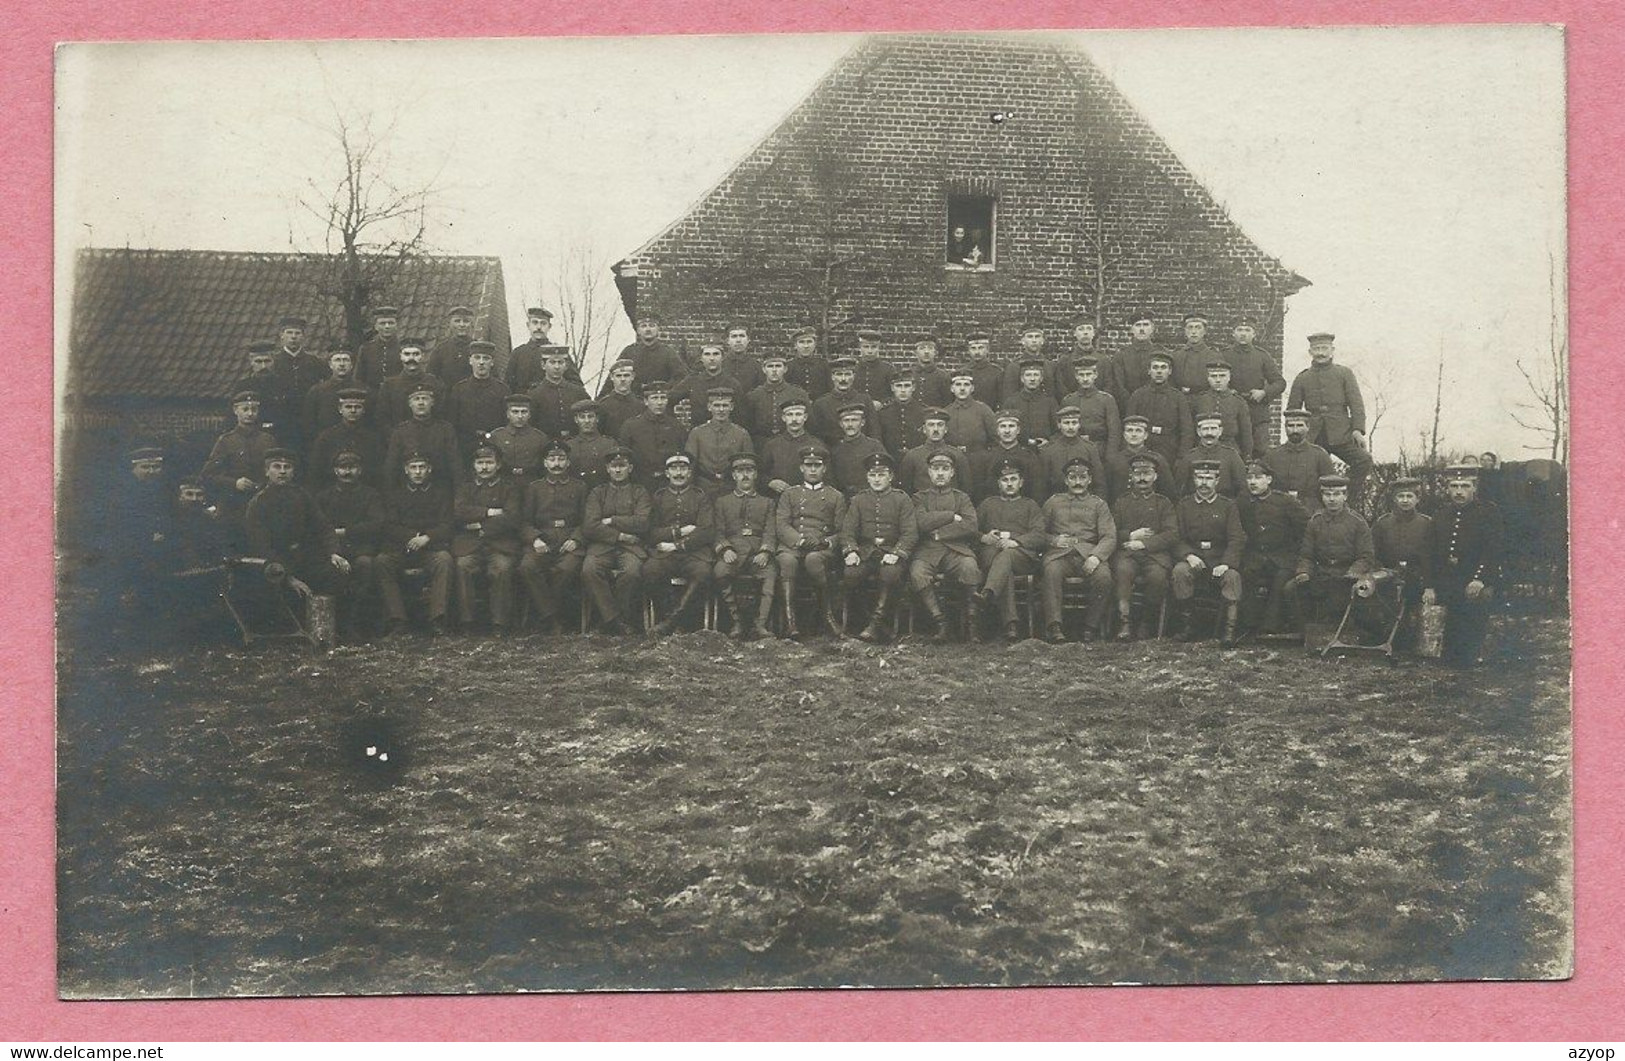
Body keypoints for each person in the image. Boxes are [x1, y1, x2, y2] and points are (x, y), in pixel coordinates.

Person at [243, 448, 350, 610]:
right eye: (277, 467)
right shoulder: (258, 503)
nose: (282, 471)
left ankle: (332, 628)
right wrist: (288, 577)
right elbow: (261, 547)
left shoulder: (302, 496)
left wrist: (334, 552)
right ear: (267, 471)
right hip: (278, 562)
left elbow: (323, 526)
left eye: (287, 467)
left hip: (305, 558)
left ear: (293, 472)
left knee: (336, 573)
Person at [1423, 464, 1503, 667]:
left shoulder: (1488, 513)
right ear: (1448, 489)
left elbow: (1493, 551)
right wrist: (1429, 585)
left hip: (1474, 578)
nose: (1459, 491)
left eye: (1465, 486)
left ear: (1474, 488)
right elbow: (1429, 554)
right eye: (1454, 486)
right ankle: (1436, 651)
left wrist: (1479, 579)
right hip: (1446, 578)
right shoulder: (1440, 515)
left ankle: (1472, 652)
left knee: (1475, 601)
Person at [839, 451, 918, 643]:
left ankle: (875, 624)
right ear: (867, 477)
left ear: (890, 476)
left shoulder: (902, 499)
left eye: (881, 474)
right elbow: (848, 531)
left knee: (890, 574)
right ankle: (874, 622)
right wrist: (851, 551)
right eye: (872, 475)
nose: (876, 479)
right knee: (850, 575)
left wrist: (897, 553)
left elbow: (910, 533)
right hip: (866, 552)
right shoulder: (858, 500)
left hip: (891, 552)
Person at [1287, 332, 1374, 501]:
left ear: (1332, 350)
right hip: (1313, 436)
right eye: (1316, 349)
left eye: (1324, 348)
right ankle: (1317, 506)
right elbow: (1292, 411)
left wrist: (1357, 430)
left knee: (1363, 460)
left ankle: (1345, 498)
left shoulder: (1344, 373)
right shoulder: (1302, 378)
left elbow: (1356, 404)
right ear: (1310, 352)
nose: (1320, 352)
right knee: (1309, 473)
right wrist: (1295, 435)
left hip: (1343, 433)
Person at [376, 452, 455, 636]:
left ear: (429, 469)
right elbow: (388, 525)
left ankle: (438, 619)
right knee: (382, 562)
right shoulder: (395, 494)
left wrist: (427, 538)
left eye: (422, 467)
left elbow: (448, 524)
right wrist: (413, 537)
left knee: (444, 560)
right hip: (403, 548)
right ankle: (397, 620)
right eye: (413, 467)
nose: (418, 472)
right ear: (406, 470)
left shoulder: (441, 493)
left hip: (431, 547)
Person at [1288, 474, 1378, 631]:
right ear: (1322, 496)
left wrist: (1353, 572)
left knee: (1337, 595)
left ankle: (1336, 631)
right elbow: (1306, 554)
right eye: (1327, 494)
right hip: (1322, 572)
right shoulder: (1315, 522)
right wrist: (1304, 572)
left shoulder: (1357, 522)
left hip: (1346, 574)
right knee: (1291, 588)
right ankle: (1306, 631)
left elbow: (1366, 556)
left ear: (1345, 496)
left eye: (1337, 494)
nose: (1332, 499)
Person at [1038, 458, 1116, 643]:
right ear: (1066, 480)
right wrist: (1054, 540)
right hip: (1060, 555)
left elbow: (1109, 536)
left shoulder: (1099, 504)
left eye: (1082, 477)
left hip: (1088, 554)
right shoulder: (1053, 502)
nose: (1078, 482)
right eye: (1072, 478)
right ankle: (1054, 626)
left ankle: (1091, 626)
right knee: (1051, 572)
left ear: (1090, 479)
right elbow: (1038, 533)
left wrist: (1096, 557)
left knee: (1104, 577)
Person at [1170, 460, 1246, 645]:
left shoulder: (1228, 505)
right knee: (1180, 572)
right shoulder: (1184, 505)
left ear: (1217, 480)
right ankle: (1188, 627)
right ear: (1194, 480)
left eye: (1208, 478)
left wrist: (1226, 563)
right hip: (1194, 557)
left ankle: (1229, 631)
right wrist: (1188, 555)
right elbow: (1175, 537)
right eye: (1199, 478)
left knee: (1232, 577)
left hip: (1219, 558)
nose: (1204, 483)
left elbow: (1237, 538)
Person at [773, 447, 847, 638]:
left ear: (824, 469)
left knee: (814, 560)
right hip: (794, 544)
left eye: (817, 465)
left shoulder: (836, 496)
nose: (812, 470)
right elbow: (781, 524)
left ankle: (828, 618)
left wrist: (826, 542)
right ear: (801, 468)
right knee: (787, 561)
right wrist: (799, 540)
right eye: (808, 465)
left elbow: (842, 530)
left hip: (819, 548)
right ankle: (791, 623)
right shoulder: (790, 494)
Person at [642, 452, 717, 636]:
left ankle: (670, 623)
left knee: (703, 573)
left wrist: (676, 545)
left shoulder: (700, 497)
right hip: (664, 554)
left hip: (694, 553)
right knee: (650, 570)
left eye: (683, 468)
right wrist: (678, 532)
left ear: (690, 472)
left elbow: (705, 531)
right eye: (674, 469)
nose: (678, 473)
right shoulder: (658, 497)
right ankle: (673, 620)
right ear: (666, 473)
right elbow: (650, 532)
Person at [579, 447, 652, 635]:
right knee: (589, 569)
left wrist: (612, 520)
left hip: (631, 548)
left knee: (632, 572)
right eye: (614, 466)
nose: (618, 470)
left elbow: (643, 522)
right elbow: (590, 526)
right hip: (602, 546)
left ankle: (614, 620)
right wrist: (620, 535)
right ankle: (614, 620)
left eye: (622, 466)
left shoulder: (640, 492)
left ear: (631, 468)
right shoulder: (597, 493)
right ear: (607, 469)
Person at [909, 452, 981, 642]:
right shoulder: (919, 498)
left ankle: (972, 624)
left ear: (952, 473)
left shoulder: (962, 498)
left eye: (945, 469)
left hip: (957, 549)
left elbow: (971, 525)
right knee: (918, 573)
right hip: (928, 551)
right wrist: (951, 516)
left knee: (970, 567)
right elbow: (921, 522)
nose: (940, 473)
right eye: (936, 469)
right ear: (929, 472)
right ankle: (941, 623)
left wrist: (940, 533)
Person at [315, 449, 386, 640]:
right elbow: (318, 525)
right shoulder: (324, 497)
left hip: (362, 549)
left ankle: (355, 624)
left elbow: (376, 524)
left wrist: (346, 532)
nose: (347, 472)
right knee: (332, 574)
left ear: (360, 470)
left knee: (365, 566)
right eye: (342, 468)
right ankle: (336, 625)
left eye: (352, 468)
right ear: (335, 471)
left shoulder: (370, 495)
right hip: (331, 551)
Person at [517, 440, 586, 634]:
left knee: (565, 570)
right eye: (552, 459)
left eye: (561, 459)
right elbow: (524, 521)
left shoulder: (580, 487)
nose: (557, 463)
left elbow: (587, 520)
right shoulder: (534, 488)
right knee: (527, 567)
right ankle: (551, 616)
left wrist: (576, 539)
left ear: (568, 462)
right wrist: (535, 539)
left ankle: (545, 617)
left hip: (569, 540)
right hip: (542, 539)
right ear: (544, 463)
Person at [452, 444, 522, 634]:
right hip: (469, 544)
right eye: (480, 463)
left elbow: (512, 517)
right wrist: (489, 512)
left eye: (489, 463)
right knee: (462, 566)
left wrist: (481, 526)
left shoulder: (509, 488)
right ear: (473, 465)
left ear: (498, 465)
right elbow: (459, 512)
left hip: (500, 544)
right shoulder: (465, 488)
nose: (484, 467)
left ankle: (499, 623)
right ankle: (467, 622)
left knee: (502, 568)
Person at [973, 460, 1046, 641]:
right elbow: (971, 531)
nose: (1010, 483)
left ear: (1021, 482)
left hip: (1022, 557)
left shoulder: (1030, 505)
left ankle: (988, 593)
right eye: (1005, 480)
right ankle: (1011, 625)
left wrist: (1017, 541)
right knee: (1004, 568)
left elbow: (1040, 535)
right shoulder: (987, 505)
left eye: (1014, 479)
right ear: (998, 483)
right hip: (994, 558)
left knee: (1006, 556)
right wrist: (985, 536)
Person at [1236, 459, 1309, 638]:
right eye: (1249, 478)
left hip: (1283, 556)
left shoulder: (1285, 501)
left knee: (1281, 580)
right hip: (1255, 555)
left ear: (1269, 479)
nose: (1252, 482)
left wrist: (1295, 553)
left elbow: (1305, 528)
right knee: (1246, 575)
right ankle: (1249, 625)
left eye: (1258, 477)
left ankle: (1271, 627)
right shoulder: (1242, 502)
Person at [1110, 453, 1178, 640]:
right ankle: (1125, 622)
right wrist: (1130, 536)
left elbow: (1171, 534)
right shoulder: (1121, 502)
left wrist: (1144, 543)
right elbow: (1111, 531)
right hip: (1127, 553)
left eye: (1147, 473)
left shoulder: (1163, 503)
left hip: (1155, 556)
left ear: (1155, 476)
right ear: (1131, 476)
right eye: (1137, 473)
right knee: (1122, 571)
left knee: (1157, 577)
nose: (1142, 478)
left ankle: (1147, 622)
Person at [712, 452, 778, 640]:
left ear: (756, 474)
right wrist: (725, 549)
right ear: (734, 476)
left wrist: (766, 551)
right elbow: (717, 531)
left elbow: (770, 531)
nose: (745, 475)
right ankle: (736, 622)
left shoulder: (767, 502)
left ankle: (761, 624)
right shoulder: (722, 502)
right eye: (740, 471)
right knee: (720, 572)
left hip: (758, 552)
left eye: (749, 470)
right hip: (733, 551)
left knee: (770, 575)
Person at [202, 390, 279, 537]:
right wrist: (234, 483)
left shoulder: (268, 440)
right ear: (235, 411)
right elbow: (207, 475)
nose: (250, 414)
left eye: (254, 409)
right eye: (245, 409)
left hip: (262, 504)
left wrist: (262, 485)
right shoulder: (226, 441)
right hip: (233, 505)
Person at [1225, 316, 1286, 456]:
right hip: (1232, 411)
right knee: (1233, 452)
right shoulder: (1224, 355)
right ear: (1233, 333)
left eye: (1247, 330)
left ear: (1254, 334)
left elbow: (1279, 382)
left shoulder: (1262, 356)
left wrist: (1264, 392)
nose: (1243, 333)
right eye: (1239, 329)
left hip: (1257, 412)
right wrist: (1227, 391)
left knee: (1260, 451)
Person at [383, 383, 461, 490]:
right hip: (408, 490)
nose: (420, 403)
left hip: (439, 489)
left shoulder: (445, 429)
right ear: (409, 404)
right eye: (416, 399)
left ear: (432, 402)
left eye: (425, 398)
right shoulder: (400, 431)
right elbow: (391, 466)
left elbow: (455, 464)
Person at [1372, 475, 1434, 605]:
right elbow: (1374, 553)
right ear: (1394, 499)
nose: (1405, 500)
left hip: (1418, 581)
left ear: (1417, 499)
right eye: (1401, 496)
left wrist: (1429, 586)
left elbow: (1432, 557)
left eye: (1409, 496)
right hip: (1387, 580)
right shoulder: (1382, 523)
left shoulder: (1427, 523)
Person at [308, 388, 385, 490]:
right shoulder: (326, 437)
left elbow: (377, 473)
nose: (353, 410)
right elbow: (317, 471)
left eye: (358, 407)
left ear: (363, 410)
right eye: (348, 407)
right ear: (340, 409)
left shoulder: (373, 439)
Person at [619, 379, 689, 491]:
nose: (659, 402)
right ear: (646, 401)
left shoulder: (676, 426)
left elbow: (683, 454)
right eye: (655, 398)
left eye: (663, 398)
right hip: (640, 485)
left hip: (669, 485)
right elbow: (625, 457)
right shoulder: (631, 426)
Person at [1264, 406, 1338, 511]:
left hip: (1310, 511)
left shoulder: (1320, 455)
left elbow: (1330, 487)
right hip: (1278, 511)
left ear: (1307, 427)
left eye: (1299, 426)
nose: (1295, 430)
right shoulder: (1272, 455)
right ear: (1285, 428)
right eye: (1290, 426)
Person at [1126, 351, 1193, 467]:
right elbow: (1128, 425)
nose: (1159, 371)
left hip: (1169, 449)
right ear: (1149, 371)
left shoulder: (1178, 397)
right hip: (1142, 448)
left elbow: (1186, 430)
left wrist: (1182, 456)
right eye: (1155, 367)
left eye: (1163, 367)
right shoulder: (1138, 395)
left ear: (1170, 371)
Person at [685, 386, 753, 496]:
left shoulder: (742, 434)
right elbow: (690, 466)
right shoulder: (697, 433)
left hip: (732, 488)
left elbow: (749, 467)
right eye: (716, 405)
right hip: (703, 488)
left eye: (725, 405)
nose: (721, 410)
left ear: (731, 407)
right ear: (709, 407)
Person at [446, 340, 509, 453]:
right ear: (470, 360)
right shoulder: (459, 389)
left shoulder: (502, 390)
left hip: (494, 447)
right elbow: (452, 423)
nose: (481, 362)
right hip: (465, 447)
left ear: (492, 362)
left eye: (486, 358)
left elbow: (505, 424)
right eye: (477, 357)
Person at [758, 398, 827, 500]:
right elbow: (760, 474)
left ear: (805, 417)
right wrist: (770, 482)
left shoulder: (817, 444)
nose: (794, 419)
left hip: (810, 500)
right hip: (780, 500)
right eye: (790, 415)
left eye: (798, 414)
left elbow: (827, 477)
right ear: (783, 418)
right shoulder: (772, 445)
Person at [970, 410, 1044, 503]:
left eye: (1011, 426)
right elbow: (979, 492)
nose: (1007, 431)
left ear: (1018, 430)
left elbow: (1037, 491)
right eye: (1003, 426)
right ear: (997, 430)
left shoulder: (1029, 457)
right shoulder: (986, 458)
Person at [897, 408, 973, 495]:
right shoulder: (912, 456)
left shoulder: (957, 455)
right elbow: (906, 488)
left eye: (940, 425)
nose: (935, 429)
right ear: (924, 429)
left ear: (946, 429)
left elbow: (966, 488)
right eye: (931, 425)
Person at [301, 350, 363, 454]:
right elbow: (309, 424)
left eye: (346, 360)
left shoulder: (363, 389)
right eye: (337, 360)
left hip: (358, 443)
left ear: (352, 365)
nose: (342, 364)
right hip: (326, 446)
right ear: (330, 364)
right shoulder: (317, 391)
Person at [1039, 406, 1107, 500]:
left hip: (1085, 502)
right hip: (1058, 503)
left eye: (1074, 423)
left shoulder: (1089, 448)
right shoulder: (1048, 451)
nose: (1070, 427)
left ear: (1079, 425)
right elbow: (1043, 486)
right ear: (1059, 425)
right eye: (1066, 423)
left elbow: (1099, 483)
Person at [229, 340, 294, 439]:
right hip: (251, 438)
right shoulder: (242, 387)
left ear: (274, 361)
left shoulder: (285, 385)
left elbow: (291, 416)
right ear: (251, 362)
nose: (263, 366)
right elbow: (232, 417)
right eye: (258, 361)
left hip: (280, 437)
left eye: (267, 361)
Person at [1189, 360, 1254, 459]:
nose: (1218, 380)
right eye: (1214, 376)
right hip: (1203, 452)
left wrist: (1246, 457)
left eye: (1222, 376)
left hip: (1230, 451)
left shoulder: (1238, 402)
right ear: (1208, 378)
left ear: (1229, 378)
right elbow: (1191, 431)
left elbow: (1246, 434)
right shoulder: (1199, 400)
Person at [612, 311, 688, 395]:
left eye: (652, 326)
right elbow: (615, 377)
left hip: (659, 400)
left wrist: (666, 389)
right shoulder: (629, 352)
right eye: (643, 326)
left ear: (658, 329)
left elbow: (681, 377)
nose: (648, 329)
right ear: (638, 331)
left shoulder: (668, 353)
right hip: (635, 401)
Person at [740, 353, 809, 445]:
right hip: (761, 444)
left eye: (778, 366)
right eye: (770, 366)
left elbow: (808, 424)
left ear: (785, 369)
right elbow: (747, 425)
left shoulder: (798, 393)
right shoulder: (753, 395)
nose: (774, 370)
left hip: (791, 443)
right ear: (764, 369)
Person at [377, 339, 446, 431]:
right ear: (400, 356)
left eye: (416, 354)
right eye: (407, 354)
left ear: (423, 356)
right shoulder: (389, 386)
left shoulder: (434, 383)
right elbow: (383, 419)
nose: (411, 358)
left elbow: (440, 414)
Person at [509, 307, 583, 392]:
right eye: (535, 322)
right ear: (528, 325)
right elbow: (508, 386)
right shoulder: (518, 354)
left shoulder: (559, 353)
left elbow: (576, 385)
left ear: (549, 326)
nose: (539, 327)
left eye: (543, 323)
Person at [1175, 413, 1249, 498]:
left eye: (1213, 428)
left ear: (1220, 431)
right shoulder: (1189, 458)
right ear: (1198, 432)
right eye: (1205, 429)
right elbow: (1180, 490)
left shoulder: (1231, 456)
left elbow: (1242, 488)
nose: (1209, 433)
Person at [1104, 416, 1174, 503]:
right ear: (1124, 435)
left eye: (1138, 430)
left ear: (1146, 435)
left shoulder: (1157, 459)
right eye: (1129, 430)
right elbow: (1107, 492)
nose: (1134, 434)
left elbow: (1168, 492)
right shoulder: (1114, 460)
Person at [526, 349, 591, 441]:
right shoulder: (534, 394)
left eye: (560, 362)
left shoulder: (578, 392)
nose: (557, 367)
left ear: (566, 366)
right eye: (552, 362)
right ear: (543, 365)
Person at [1059, 357, 1120, 453]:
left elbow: (1114, 432)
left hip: (1100, 449)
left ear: (1095, 375)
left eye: (1088, 374)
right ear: (1076, 376)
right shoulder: (1068, 400)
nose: (1085, 379)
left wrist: (1110, 455)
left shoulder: (1107, 400)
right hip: (1074, 449)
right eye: (1081, 375)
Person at [487, 394, 550, 485]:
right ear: (508, 414)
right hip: (503, 486)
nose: (520, 416)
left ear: (529, 414)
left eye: (524, 412)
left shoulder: (540, 437)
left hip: (531, 484)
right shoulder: (496, 436)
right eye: (515, 412)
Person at [829, 401, 889, 495]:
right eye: (846, 420)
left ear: (862, 422)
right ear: (841, 424)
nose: (850, 425)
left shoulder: (874, 446)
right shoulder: (836, 450)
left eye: (854, 420)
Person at [670, 336, 742, 411]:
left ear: (723, 357)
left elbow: (741, 414)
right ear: (701, 358)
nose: (711, 358)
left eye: (716, 354)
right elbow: (669, 400)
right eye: (707, 354)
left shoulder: (733, 383)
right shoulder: (693, 381)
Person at [565, 398, 619, 493]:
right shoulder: (569, 445)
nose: (587, 421)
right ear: (576, 420)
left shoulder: (609, 444)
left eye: (590, 416)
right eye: (582, 417)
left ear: (597, 419)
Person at [1004, 358, 1059, 450]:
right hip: (1020, 451)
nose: (1032, 379)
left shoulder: (1050, 402)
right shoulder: (1011, 402)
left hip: (1044, 450)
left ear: (1041, 379)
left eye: (1036, 375)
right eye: (1028, 375)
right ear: (1022, 378)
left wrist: (1049, 442)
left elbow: (1058, 430)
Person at [810, 356, 862, 446]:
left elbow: (874, 433)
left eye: (847, 374)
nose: (843, 379)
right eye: (839, 374)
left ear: (854, 376)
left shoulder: (864, 400)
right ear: (832, 377)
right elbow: (816, 436)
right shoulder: (821, 404)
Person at [1000, 322, 1056, 403]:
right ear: (1023, 341)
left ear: (1042, 340)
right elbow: (1009, 396)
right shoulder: (1014, 367)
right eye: (1030, 337)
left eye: (1037, 337)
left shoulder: (1051, 366)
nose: (1034, 340)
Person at [875, 374, 929, 459]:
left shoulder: (924, 411)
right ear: (892, 388)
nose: (903, 390)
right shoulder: (883, 413)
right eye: (898, 386)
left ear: (913, 387)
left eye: (907, 386)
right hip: (891, 459)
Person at [943, 370, 998, 452]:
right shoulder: (946, 412)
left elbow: (995, 439)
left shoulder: (984, 410)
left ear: (972, 388)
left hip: (978, 459)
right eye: (958, 385)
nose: (962, 388)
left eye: (966, 385)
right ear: (952, 389)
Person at [1113, 311, 1163, 398]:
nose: (1142, 329)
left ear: (1152, 328)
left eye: (1146, 325)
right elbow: (1119, 386)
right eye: (1138, 325)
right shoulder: (1121, 356)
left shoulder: (1161, 353)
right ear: (1132, 329)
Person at [426, 305, 476, 386]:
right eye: (457, 321)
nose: (462, 325)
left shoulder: (478, 348)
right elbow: (431, 377)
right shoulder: (441, 349)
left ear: (471, 324)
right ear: (450, 324)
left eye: (466, 321)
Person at [595, 359, 645, 439]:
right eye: (618, 376)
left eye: (626, 375)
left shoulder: (641, 405)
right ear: (612, 377)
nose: (622, 379)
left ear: (633, 377)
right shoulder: (603, 405)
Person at [355, 305, 403, 385]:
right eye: (382, 323)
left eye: (390, 323)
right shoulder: (366, 349)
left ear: (396, 326)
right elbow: (359, 379)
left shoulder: (403, 348)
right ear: (376, 326)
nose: (387, 326)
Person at [1173, 312, 1219, 394]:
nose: (1193, 332)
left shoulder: (1213, 356)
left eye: (1198, 328)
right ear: (1185, 331)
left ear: (1205, 331)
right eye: (1190, 327)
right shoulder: (1176, 355)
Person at [851, 329, 896, 410]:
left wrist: (882, 404)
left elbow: (895, 394)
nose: (870, 351)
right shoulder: (853, 368)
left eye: (873, 347)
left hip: (881, 414)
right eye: (866, 347)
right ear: (860, 348)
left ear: (879, 347)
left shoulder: (888, 369)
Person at [960, 331, 1005, 412]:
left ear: (987, 349)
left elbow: (1002, 400)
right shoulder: (963, 372)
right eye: (973, 348)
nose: (977, 352)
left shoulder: (997, 372)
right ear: (968, 351)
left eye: (981, 348)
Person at [784, 327, 831, 400]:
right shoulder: (789, 367)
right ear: (795, 345)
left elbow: (830, 390)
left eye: (809, 341)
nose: (806, 346)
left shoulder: (824, 365)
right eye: (801, 342)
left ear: (815, 344)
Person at [906, 334, 953, 407]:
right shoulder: (908, 375)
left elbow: (947, 404)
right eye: (922, 348)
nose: (926, 352)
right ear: (915, 352)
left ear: (935, 352)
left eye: (930, 348)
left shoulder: (943, 377)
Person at [722, 321, 765, 394]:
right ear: (727, 341)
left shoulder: (757, 367)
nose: (738, 340)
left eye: (742, 336)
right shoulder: (721, 365)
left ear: (748, 340)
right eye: (734, 336)